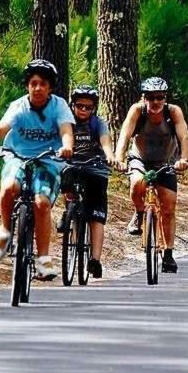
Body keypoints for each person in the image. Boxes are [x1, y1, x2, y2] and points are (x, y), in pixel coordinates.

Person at [0, 59, 74, 281]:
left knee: (41, 203)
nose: (37, 88)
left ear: (50, 87)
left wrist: (68, 146)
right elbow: (3, 127)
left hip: (48, 159)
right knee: (9, 189)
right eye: (33, 83)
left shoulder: (59, 105)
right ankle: (4, 230)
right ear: (27, 86)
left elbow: (65, 130)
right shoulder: (19, 106)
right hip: (18, 156)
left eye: (42, 83)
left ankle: (43, 259)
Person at [113, 77, 188, 274]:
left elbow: (184, 136)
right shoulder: (137, 111)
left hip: (165, 162)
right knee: (137, 183)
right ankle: (140, 213)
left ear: (165, 98)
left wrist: (184, 159)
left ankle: (168, 254)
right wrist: (119, 158)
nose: (155, 102)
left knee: (168, 206)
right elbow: (124, 135)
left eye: (160, 97)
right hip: (140, 159)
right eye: (151, 97)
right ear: (143, 98)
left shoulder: (173, 112)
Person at [59, 84, 115, 279]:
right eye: (79, 106)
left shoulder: (98, 123)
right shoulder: (66, 122)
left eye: (88, 107)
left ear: (94, 108)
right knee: (65, 177)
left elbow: (105, 140)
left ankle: (95, 260)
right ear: (72, 105)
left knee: (95, 215)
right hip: (72, 164)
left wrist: (110, 156)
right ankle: (69, 213)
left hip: (95, 167)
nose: (83, 110)